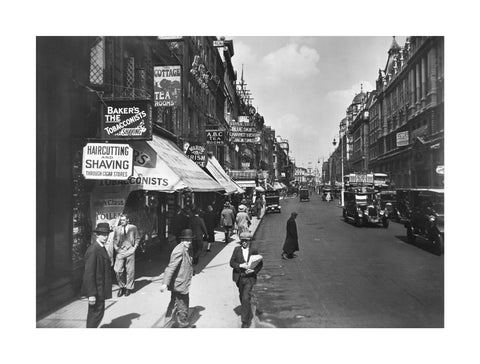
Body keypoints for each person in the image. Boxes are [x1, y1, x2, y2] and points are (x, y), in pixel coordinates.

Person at [160, 229, 195, 328]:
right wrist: (165, 283)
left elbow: (187, 263)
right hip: (179, 284)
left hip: (183, 283)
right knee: (181, 305)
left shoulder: (186, 248)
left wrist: (192, 271)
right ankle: (183, 324)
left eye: (190, 240)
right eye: (187, 240)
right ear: (182, 240)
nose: (189, 242)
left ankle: (169, 325)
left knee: (176, 304)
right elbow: (171, 267)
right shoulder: (179, 250)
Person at [81, 222, 113, 328]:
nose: (105, 236)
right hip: (96, 291)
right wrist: (91, 294)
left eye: (106, 234)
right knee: (94, 316)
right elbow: (88, 274)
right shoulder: (93, 250)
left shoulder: (101, 247)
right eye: (102, 234)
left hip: (100, 290)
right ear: (97, 235)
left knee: (98, 314)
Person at [229, 232, 263, 328]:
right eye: (243, 241)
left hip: (250, 278)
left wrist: (253, 270)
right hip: (240, 277)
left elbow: (260, 264)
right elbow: (231, 263)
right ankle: (247, 307)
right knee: (242, 296)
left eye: (246, 241)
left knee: (245, 297)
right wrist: (240, 265)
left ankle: (245, 321)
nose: (244, 243)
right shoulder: (236, 250)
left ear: (249, 241)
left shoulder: (254, 250)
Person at [113, 214, 140, 297]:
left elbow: (137, 238)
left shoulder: (133, 228)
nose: (122, 221)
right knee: (117, 270)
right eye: (121, 220)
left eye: (124, 220)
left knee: (130, 270)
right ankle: (122, 286)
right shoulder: (117, 229)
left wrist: (134, 248)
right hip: (120, 251)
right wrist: (116, 248)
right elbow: (114, 240)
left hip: (130, 250)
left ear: (127, 220)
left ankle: (128, 288)